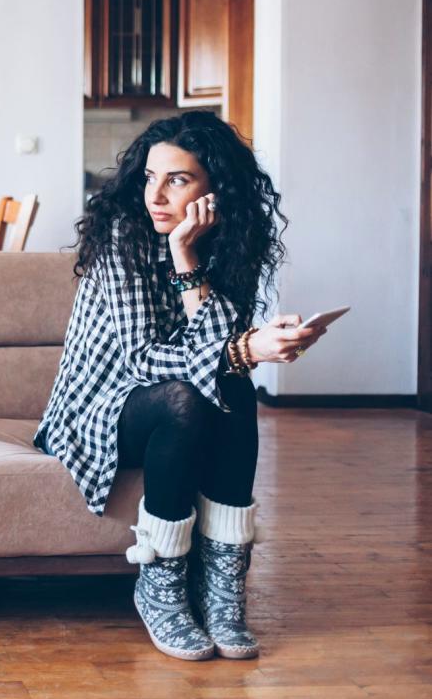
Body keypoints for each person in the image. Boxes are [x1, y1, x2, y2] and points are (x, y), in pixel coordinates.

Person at [35, 111, 326, 662]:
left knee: (232, 385)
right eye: (150, 177)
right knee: (193, 389)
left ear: (216, 188)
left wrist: (192, 260)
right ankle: (160, 585)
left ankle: (221, 589)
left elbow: (214, 351)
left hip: (174, 398)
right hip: (99, 408)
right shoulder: (124, 239)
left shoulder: (228, 242)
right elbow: (144, 360)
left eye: (177, 179)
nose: (156, 195)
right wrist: (243, 344)